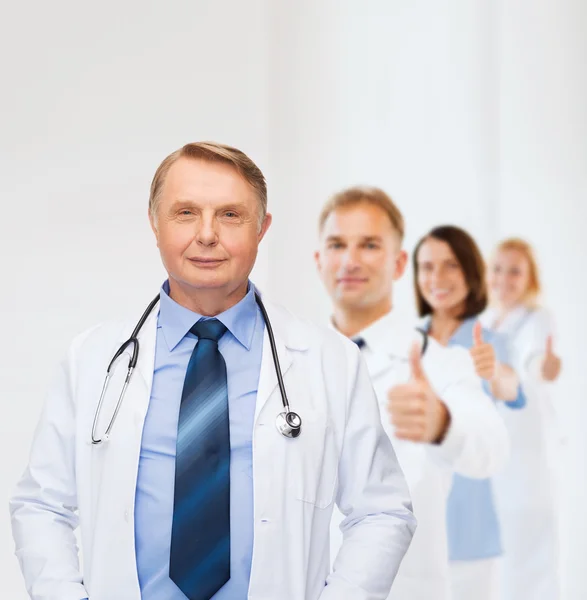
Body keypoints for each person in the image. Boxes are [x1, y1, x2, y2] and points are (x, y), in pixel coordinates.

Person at [9, 143, 416, 600]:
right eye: (185, 212)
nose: (206, 234)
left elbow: (381, 512)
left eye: (230, 215)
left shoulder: (329, 360)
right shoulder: (92, 358)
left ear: (262, 229)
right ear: (154, 223)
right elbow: (42, 505)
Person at [314, 186, 509, 600]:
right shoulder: (290, 362)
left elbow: (491, 447)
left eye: (369, 245)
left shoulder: (438, 362)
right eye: (336, 245)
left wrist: (443, 423)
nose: (350, 260)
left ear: (400, 263)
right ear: (319, 260)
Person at [412, 225, 525, 600]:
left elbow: (511, 389)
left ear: (471, 273)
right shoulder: (408, 340)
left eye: (451, 266)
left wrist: (494, 373)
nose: (437, 278)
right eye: (427, 267)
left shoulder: (489, 342)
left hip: (470, 530)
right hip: (415, 528)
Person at [482, 237, 562, 600]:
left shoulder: (536, 317)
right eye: (498, 269)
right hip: (494, 451)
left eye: (515, 271)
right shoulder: (485, 320)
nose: (504, 278)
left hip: (525, 452)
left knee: (529, 549)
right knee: (501, 555)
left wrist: (545, 367)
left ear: (530, 278)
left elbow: (535, 360)